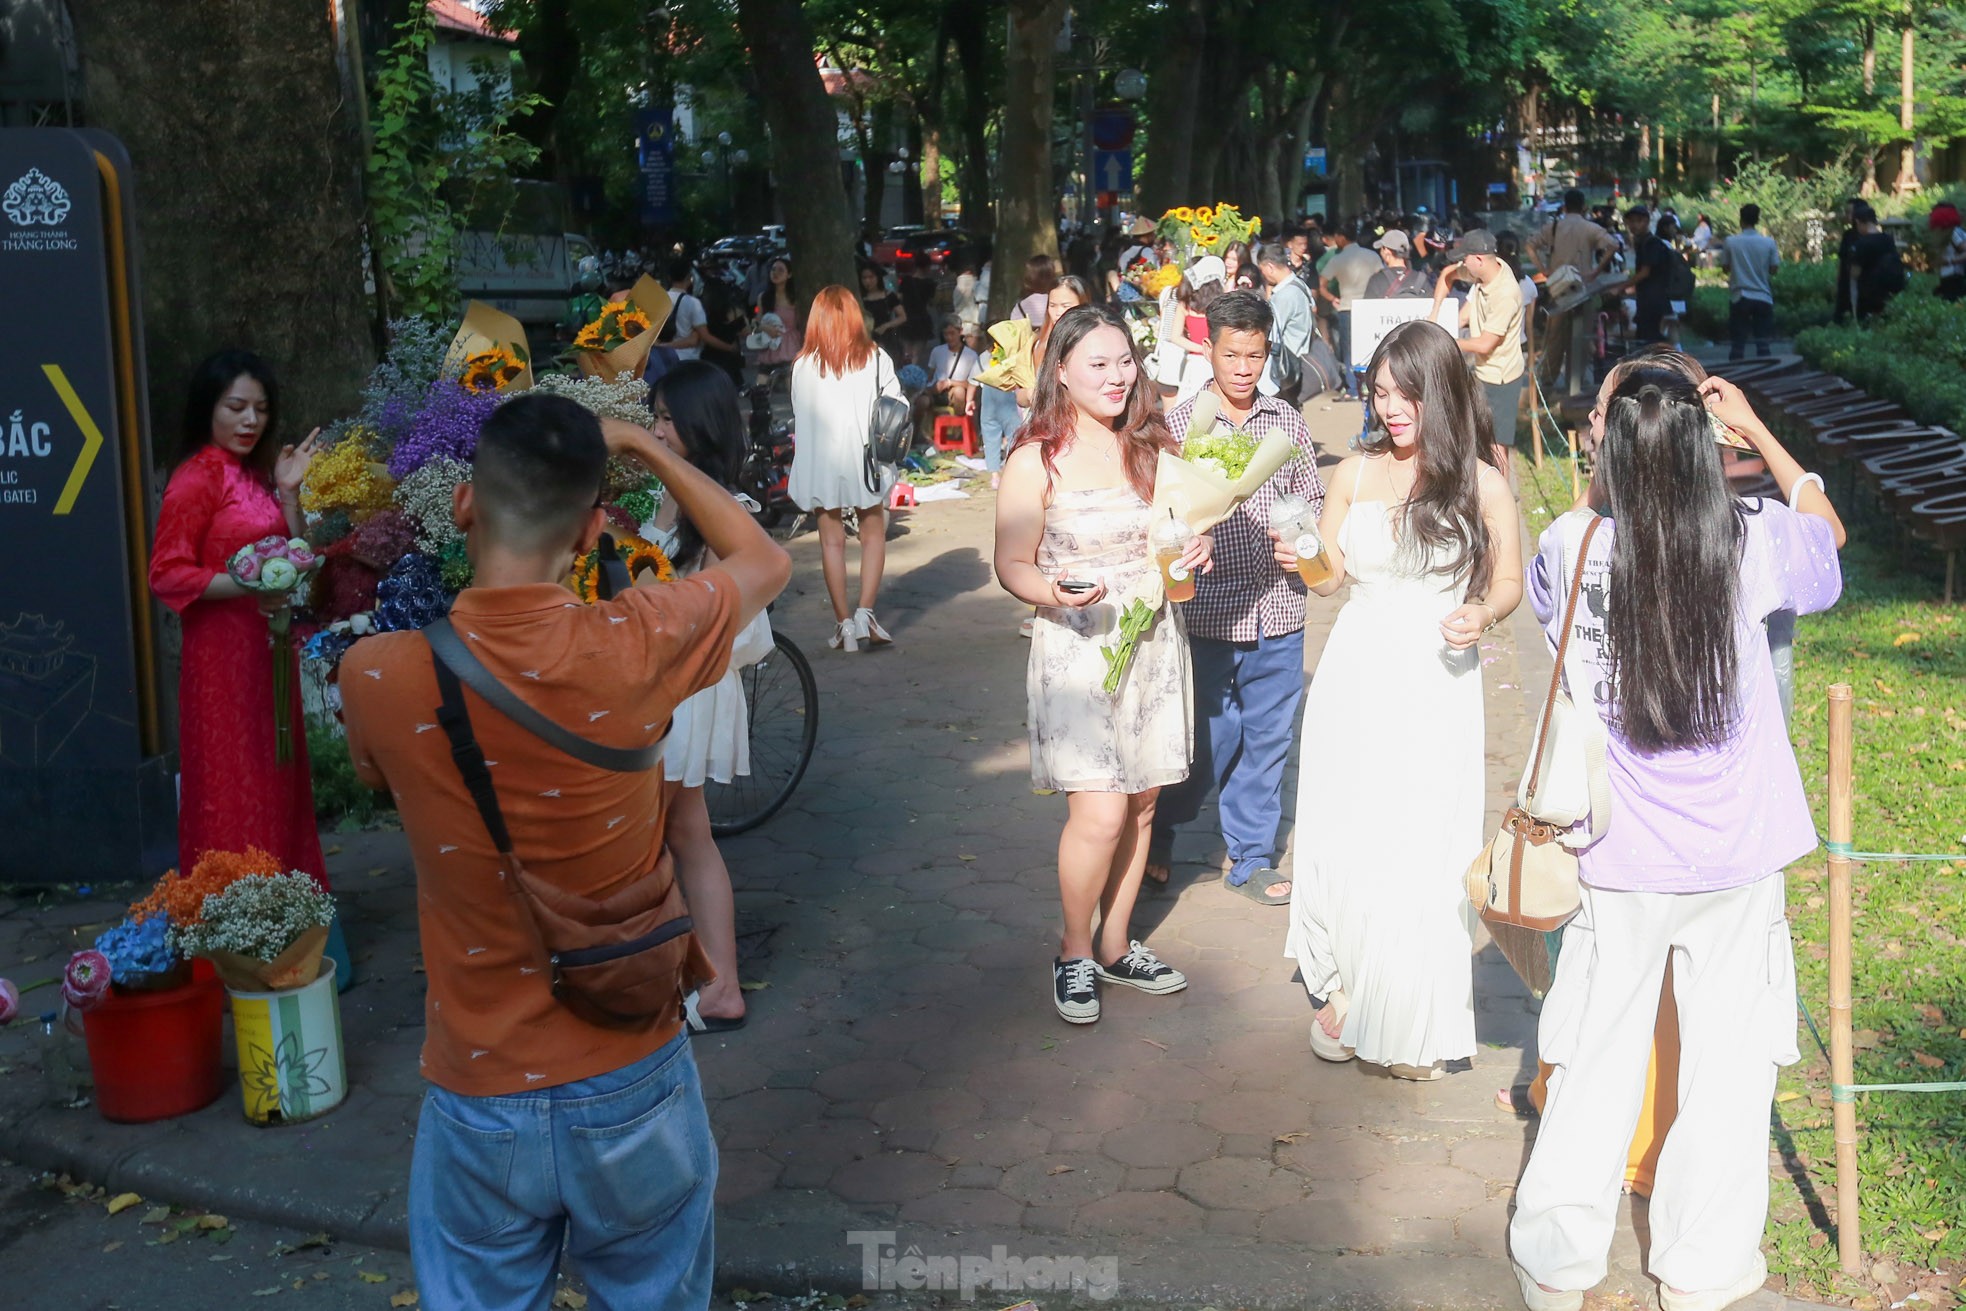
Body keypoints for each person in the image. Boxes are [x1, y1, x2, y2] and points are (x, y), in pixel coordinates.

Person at [339, 392, 789, 1311]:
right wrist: (648, 451)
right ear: (591, 533)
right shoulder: (637, 641)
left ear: (465, 504)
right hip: (632, 1070)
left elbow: (385, 781)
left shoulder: (375, 675)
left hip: (477, 1087)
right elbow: (765, 558)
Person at [1507, 368, 1844, 1311]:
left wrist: (1605, 470)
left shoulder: (1570, 545)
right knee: (1730, 1070)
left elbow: (1558, 607)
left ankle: (1557, 1260)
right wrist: (1756, 429)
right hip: (1738, 854)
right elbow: (1830, 537)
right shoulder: (1754, 540)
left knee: (1594, 1055)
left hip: (1615, 854)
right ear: (1709, 448)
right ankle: (1702, 1269)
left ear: (1605, 450)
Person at [1279, 319, 1521, 1080]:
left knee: (1423, 835)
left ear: (1440, 391)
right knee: (1350, 827)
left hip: (1438, 679)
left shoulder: (1482, 481)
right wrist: (1306, 559)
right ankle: (1348, 985)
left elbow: (1509, 579)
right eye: (1379, 391)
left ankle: (1414, 1002)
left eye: (1404, 392)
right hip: (1357, 670)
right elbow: (1328, 578)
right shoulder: (1352, 473)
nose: (1389, 407)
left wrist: (1482, 612)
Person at [993, 303, 1211, 1024]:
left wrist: (1192, 555)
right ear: (1060, 370)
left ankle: (1118, 946)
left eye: (1125, 362)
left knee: (1144, 799)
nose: (1118, 377)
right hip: (1077, 649)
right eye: (1099, 364)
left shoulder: (1153, 447)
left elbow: (1175, 548)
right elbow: (1011, 563)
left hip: (1152, 642)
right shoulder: (1035, 458)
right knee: (1100, 810)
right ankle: (1074, 949)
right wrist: (1051, 590)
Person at [1145, 292, 1325, 906]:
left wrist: (1303, 536)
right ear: (1208, 350)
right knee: (1204, 744)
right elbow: (1160, 512)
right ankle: (1161, 830)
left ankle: (1250, 857)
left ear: (1267, 352)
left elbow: (1312, 498)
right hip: (1205, 613)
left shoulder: (1288, 422)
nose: (1244, 368)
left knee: (1270, 737)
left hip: (1279, 607)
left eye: (1255, 355)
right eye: (1232, 355)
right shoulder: (1178, 427)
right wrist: (1180, 540)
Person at [148, 351, 330, 898]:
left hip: (268, 650)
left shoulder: (253, 476)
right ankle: (238, 922)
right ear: (209, 408)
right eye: (236, 407)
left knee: (279, 779)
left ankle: (292, 917)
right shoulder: (196, 478)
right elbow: (167, 572)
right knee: (234, 786)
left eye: (261, 409)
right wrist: (248, 584)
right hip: (221, 662)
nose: (251, 421)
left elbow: (290, 555)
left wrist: (290, 493)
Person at [643, 362, 778, 1033]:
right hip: (660, 685)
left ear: (700, 424)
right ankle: (713, 980)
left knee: (667, 836)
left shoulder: (720, 509)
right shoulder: (666, 495)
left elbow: (745, 626)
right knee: (685, 832)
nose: (657, 429)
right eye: (655, 416)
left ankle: (697, 978)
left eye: (668, 417)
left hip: (684, 690)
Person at [790, 285, 904, 652]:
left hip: (822, 463)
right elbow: (896, 405)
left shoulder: (803, 366)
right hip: (865, 460)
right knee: (873, 534)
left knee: (831, 541)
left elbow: (799, 417)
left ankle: (843, 624)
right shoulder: (874, 357)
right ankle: (865, 613)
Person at [1431, 229, 1527, 475]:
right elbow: (1447, 274)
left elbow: (1485, 344)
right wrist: (1435, 312)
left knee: (1496, 446)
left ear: (1479, 259)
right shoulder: (1487, 271)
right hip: (1483, 370)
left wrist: (1448, 340)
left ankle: (1502, 501)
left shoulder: (1507, 293)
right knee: (1479, 439)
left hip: (1501, 376)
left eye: (1465, 259)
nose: (1462, 264)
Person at [1528, 189, 1618, 387]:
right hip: (1582, 289)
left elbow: (1530, 246)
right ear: (1584, 206)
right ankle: (1577, 381)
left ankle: (1547, 382)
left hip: (1557, 290)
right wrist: (1595, 271)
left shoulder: (1553, 227)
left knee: (1554, 339)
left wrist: (1544, 269)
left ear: (1565, 206)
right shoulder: (1589, 228)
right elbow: (1613, 245)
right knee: (1581, 339)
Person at [1319, 226, 1383, 394]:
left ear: (1341, 238)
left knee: (1349, 350)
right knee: (1374, 345)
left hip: (1347, 306)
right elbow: (1383, 277)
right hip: (1371, 307)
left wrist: (1332, 298)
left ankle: (1353, 388)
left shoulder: (1338, 259)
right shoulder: (1372, 256)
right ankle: (1374, 384)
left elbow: (1322, 284)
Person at [1716, 204, 1780, 360]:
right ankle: (1765, 376)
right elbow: (1774, 269)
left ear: (1741, 220)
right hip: (1763, 296)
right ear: (1758, 220)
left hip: (1740, 295)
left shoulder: (1731, 242)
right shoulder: (1769, 243)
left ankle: (1732, 380)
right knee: (1763, 344)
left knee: (1738, 345)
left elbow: (1725, 268)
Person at [1257, 243, 1317, 402]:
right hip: (1302, 359)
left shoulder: (1284, 296)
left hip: (1287, 365)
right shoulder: (1300, 284)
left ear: (1270, 267)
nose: (1263, 275)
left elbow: (1272, 332)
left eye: (1262, 270)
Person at [1620, 207, 1674, 344]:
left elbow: (1645, 272)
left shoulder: (1651, 243)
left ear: (1647, 221)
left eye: (1638, 221)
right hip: (1649, 301)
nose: (1634, 225)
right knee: (1649, 340)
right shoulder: (1644, 243)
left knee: (1653, 342)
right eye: (1630, 222)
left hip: (1654, 302)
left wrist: (1622, 287)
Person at [1846, 200, 1906, 321]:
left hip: (1869, 295)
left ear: (1858, 222)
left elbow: (1855, 273)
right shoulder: (1888, 239)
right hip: (1889, 291)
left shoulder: (1861, 244)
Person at [924, 314, 982, 418]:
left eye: (952, 334)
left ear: (960, 332)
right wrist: (932, 387)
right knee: (922, 402)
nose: (949, 338)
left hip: (957, 392)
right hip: (938, 392)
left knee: (959, 392)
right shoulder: (937, 351)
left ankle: (956, 428)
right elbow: (930, 376)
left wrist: (949, 383)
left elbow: (973, 384)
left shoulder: (971, 355)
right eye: (946, 334)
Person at [753, 257, 803, 378]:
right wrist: (764, 327)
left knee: (790, 386)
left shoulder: (795, 298)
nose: (775, 273)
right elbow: (756, 323)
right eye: (773, 270)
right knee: (762, 385)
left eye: (781, 270)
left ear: (789, 274)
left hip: (790, 346)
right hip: (769, 346)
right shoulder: (764, 297)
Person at [858, 263, 910, 360]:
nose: (867, 281)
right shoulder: (860, 298)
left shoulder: (888, 296)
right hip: (866, 338)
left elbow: (902, 317)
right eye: (864, 278)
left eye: (871, 277)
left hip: (886, 338)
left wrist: (886, 326)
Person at [1364, 230, 1432, 299]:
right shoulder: (1421, 279)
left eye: (1382, 248)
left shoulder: (1377, 280)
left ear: (1386, 251)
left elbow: (1366, 308)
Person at [1934, 201, 1966, 302]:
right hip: (1949, 278)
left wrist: (1950, 261)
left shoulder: (1953, 232)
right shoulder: (1947, 231)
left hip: (1954, 278)